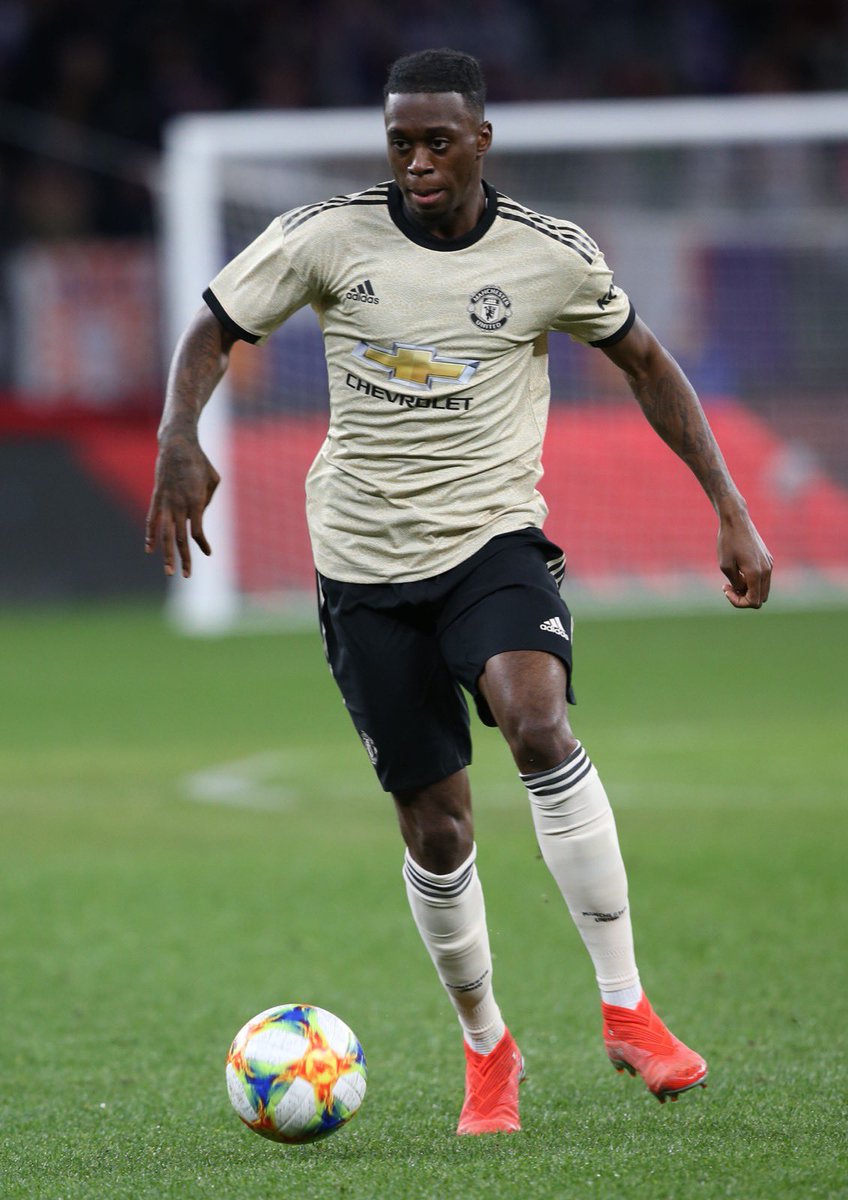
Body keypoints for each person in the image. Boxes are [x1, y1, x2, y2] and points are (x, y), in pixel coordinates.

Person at [146, 48, 773, 1135]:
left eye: (438, 142)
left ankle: (627, 1008)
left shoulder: (548, 254)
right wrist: (176, 434)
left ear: (481, 140)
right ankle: (488, 1048)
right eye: (401, 143)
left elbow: (646, 362)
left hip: (492, 545)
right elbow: (213, 327)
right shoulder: (327, 237)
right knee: (436, 832)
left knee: (537, 721)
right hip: (362, 566)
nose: (418, 162)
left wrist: (729, 505)